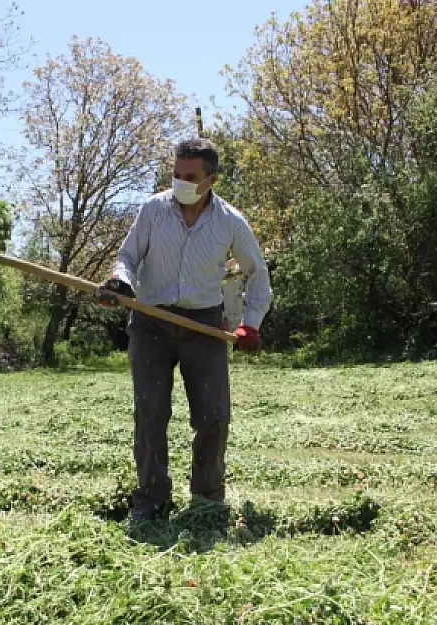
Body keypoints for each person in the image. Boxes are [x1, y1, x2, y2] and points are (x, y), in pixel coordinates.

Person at [96, 137, 273, 522]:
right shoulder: (153, 210)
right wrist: (120, 282)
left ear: (211, 180)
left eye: (190, 177)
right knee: (150, 412)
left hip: (203, 327)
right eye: (176, 174)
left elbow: (257, 273)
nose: (180, 182)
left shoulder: (230, 222)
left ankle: (207, 501)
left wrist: (251, 325)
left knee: (213, 416)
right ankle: (151, 501)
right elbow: (127, 257)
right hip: (150, 323)